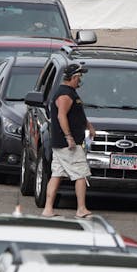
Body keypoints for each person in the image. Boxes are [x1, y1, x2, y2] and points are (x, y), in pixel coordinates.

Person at [42, 62, 93, 218]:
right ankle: (81, 209)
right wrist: (69, 137)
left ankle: (48, 209)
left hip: (62, 144)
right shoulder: (65, 94)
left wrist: (89, 126)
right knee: (81, 174)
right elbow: (61, 115)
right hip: (67, 144)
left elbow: (76, 115)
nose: (80, 80)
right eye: (79, 76)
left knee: (57, 173)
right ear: (73, 77)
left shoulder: (69, 92)